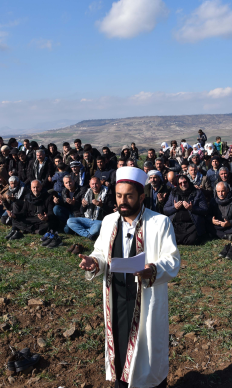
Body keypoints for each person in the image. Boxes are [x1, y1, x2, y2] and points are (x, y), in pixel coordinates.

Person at [78, 166, 180, 388]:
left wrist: (152, 270)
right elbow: (101, 254)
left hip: (146, 300)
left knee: (148, 352)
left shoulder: (160, 223)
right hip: (116, 297)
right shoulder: (108, 222)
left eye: (129, 196)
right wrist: (93, 262)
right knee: (119, 346)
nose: (122, 201)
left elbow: (172, 260)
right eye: (119, 195)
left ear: (142, 197)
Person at [163, 175, 208, 245]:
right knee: (171, 239)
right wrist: (174, 207)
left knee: (192, 240)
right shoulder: (174, 193)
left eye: (185, 182)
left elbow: (205, 210)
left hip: (192, 225)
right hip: (176, 224)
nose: (183, 184)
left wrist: (192, 209)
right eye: (180, 183)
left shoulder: (197, 192)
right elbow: (165, 210)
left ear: (188, 182)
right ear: (178, 184)